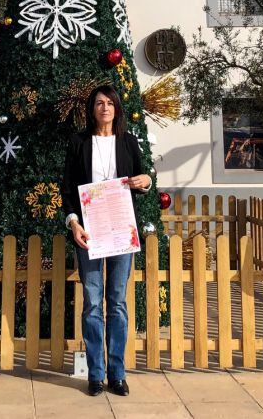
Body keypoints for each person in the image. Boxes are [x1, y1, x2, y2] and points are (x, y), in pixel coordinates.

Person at [61, 85, 154, 397]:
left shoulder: (127, 141)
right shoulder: (78, 141)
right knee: (92, 304)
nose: (104, 108)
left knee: (117, 303)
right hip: (88, 231)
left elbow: (143, 178)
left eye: (109, 103)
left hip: (120, 229)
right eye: (99, 103)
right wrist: (73, 223)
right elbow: (67, 188)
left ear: (117, 108)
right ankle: (95, 374)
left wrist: (147, 181)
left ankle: (117, 374)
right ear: (92, 109)